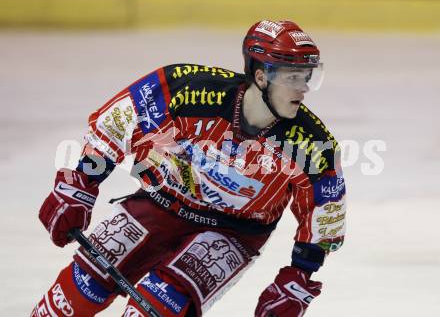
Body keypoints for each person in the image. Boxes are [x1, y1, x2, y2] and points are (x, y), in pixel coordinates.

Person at [32, 19, 346, 317]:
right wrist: (79, 186)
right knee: (76, 290)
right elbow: (121, 119)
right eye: (292, 77)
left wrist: (297, 280)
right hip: (161, 203)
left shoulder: (314, 146)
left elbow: (325, 215)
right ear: (262, 77)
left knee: (161, 301)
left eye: (307, 76)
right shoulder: (188, 88)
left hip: (233, 232)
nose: (303, 88)